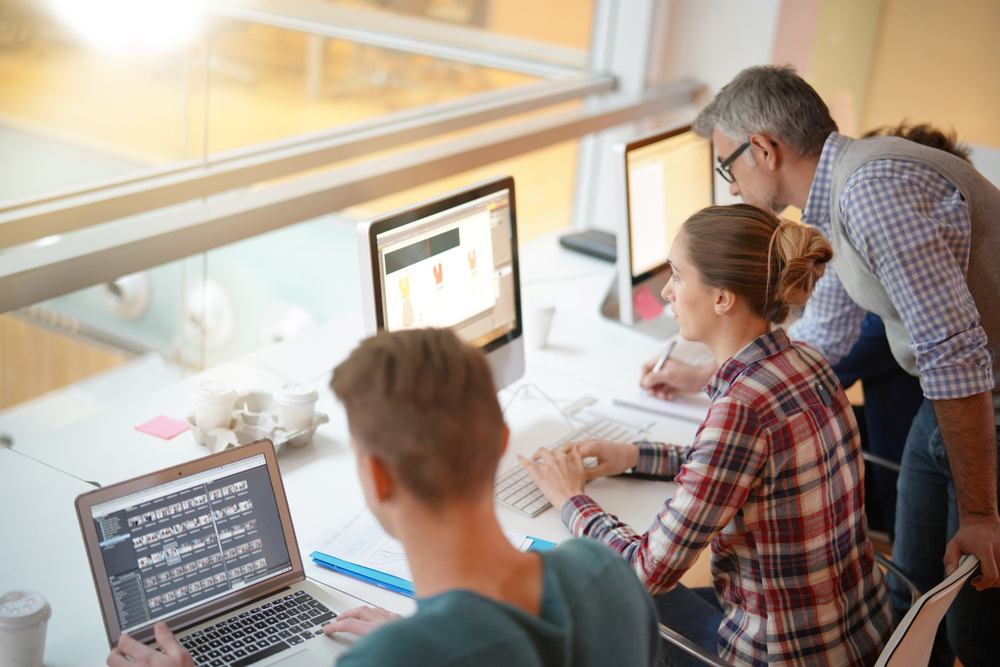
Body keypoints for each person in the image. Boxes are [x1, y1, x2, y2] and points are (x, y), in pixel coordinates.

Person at [638, 65, 1000, 667]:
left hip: (982, 399)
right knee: (909, 606)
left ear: (764, 148)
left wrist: (982, 512)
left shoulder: (870, 193)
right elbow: (822, 337)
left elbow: (955, 356)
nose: (728, 186)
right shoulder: (838, 202)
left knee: (974, 624)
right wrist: (709, 373)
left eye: (728, 165)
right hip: (949, 405)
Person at [106, 328, 661, 667]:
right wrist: (424, 636)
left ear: (377, 476)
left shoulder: (398, 660)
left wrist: (419, 647)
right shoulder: (604, 573)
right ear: (502, 444)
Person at [522, 204, 893, 667]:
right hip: (861, 640)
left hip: (778, 655)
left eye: (678, 275)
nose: (666, 291)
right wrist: (633, 454)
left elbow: (644, 572)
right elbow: (736, 466)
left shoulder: (742, 409)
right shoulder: (807, 362)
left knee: (590, 595)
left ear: (722, 297)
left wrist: (570, 499)